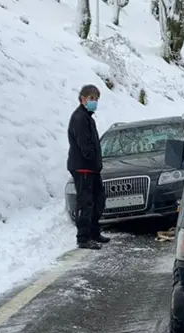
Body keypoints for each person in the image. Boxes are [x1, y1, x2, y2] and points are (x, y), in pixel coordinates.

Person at [67, 84, 109, 250]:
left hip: (92, 168)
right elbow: (85, 145)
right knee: (85, 202)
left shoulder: (88, 117)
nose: (94, 102)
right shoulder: (79, 118)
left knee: (98, 200)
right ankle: (83, 237)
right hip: (83, 168)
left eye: (96, 99)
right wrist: (92, 159)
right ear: (83, 99)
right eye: (92, 98)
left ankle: (94, 232)